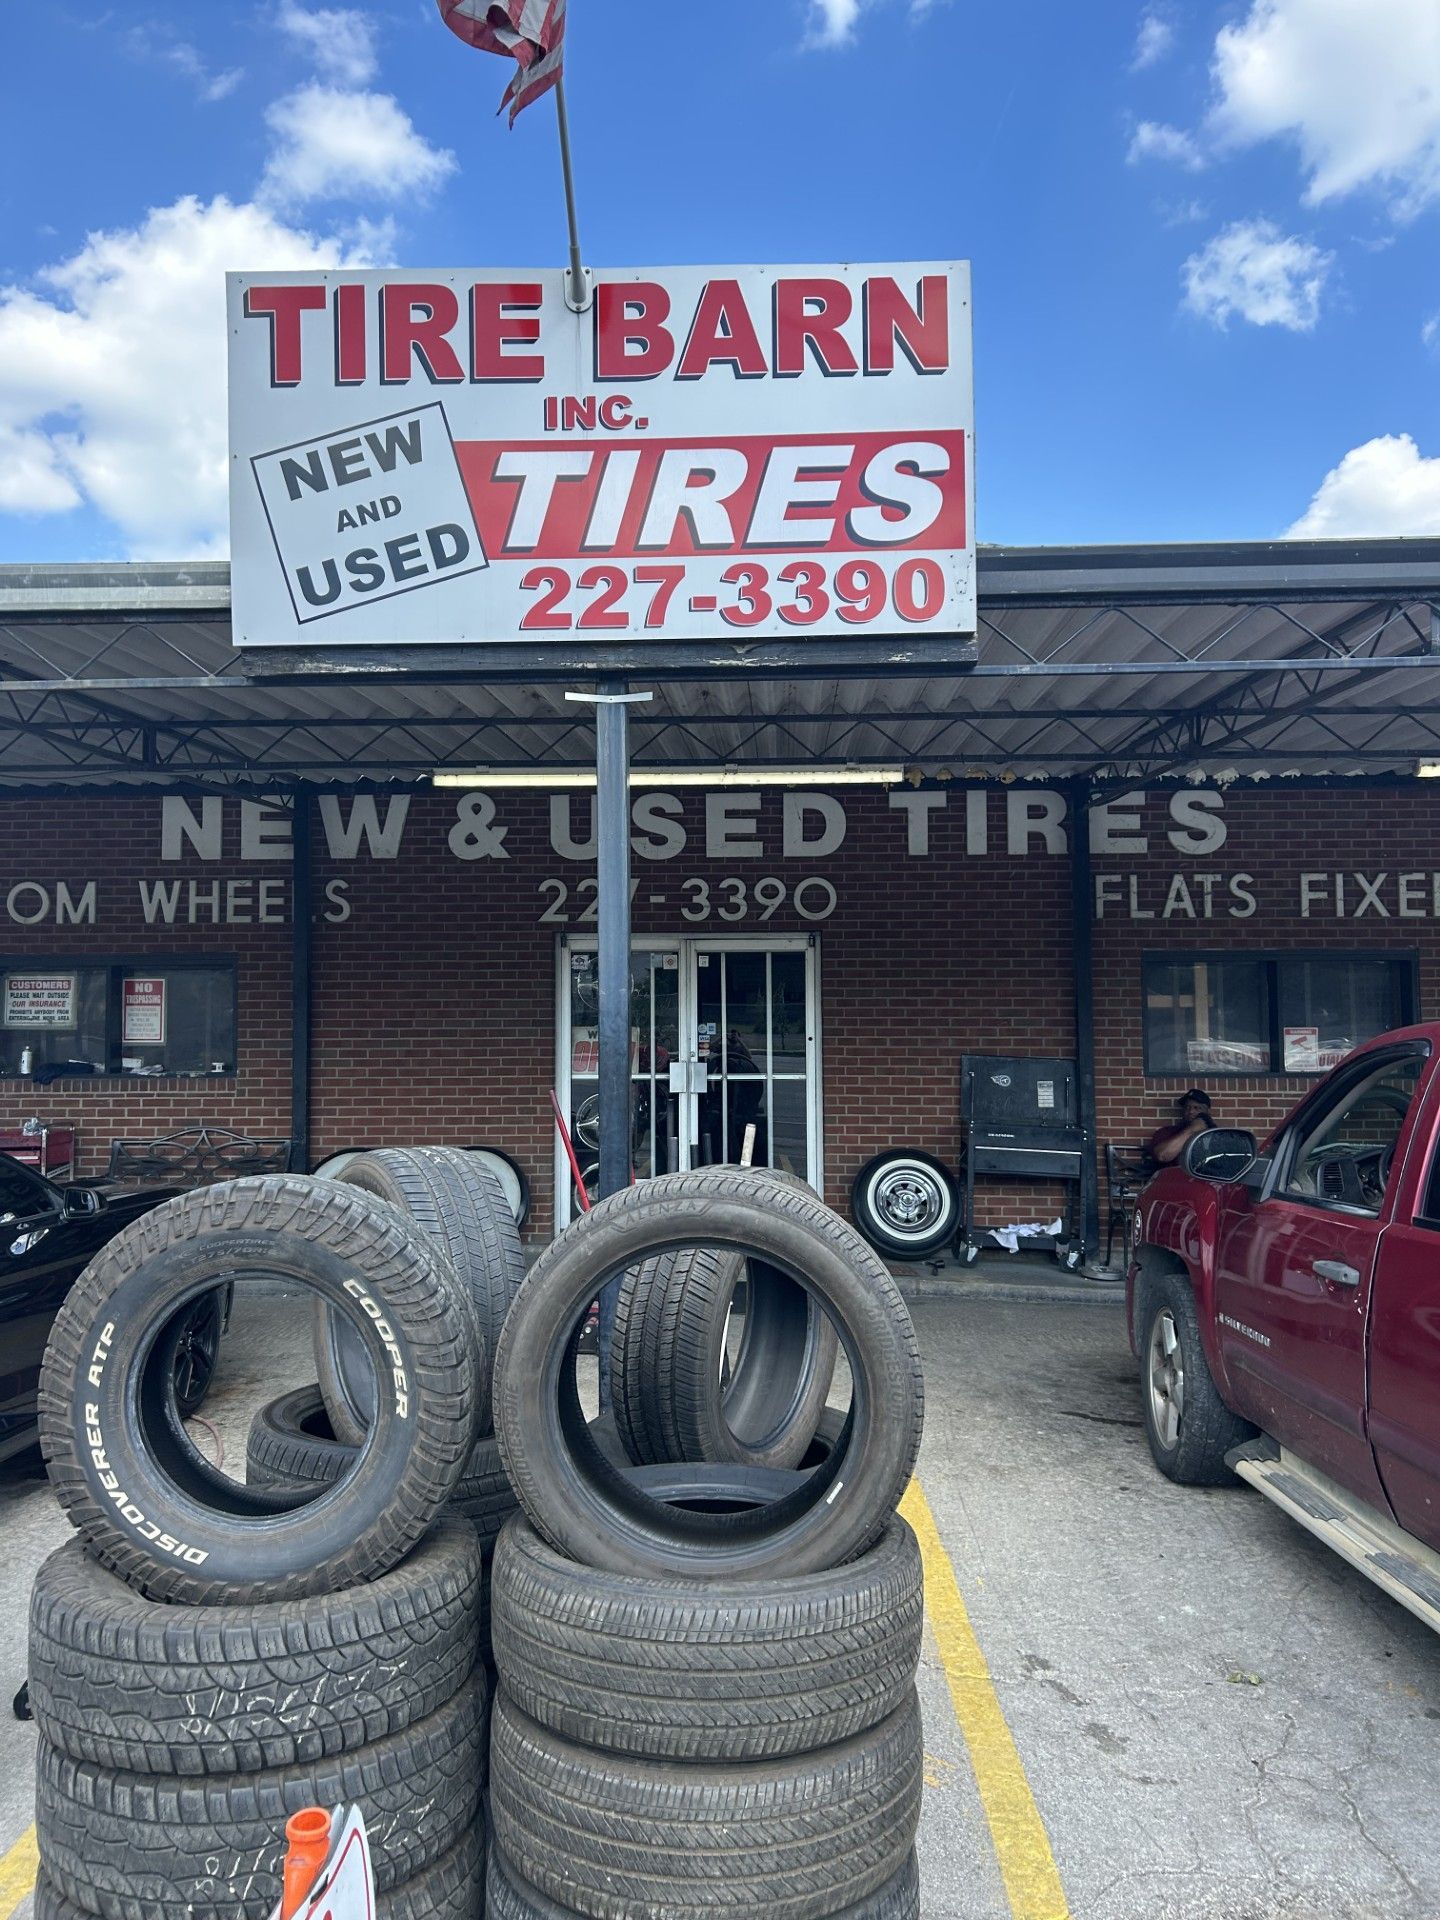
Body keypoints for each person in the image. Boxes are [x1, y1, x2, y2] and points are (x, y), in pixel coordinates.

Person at [1149, 1088, 1216, 1166]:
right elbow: (1162, 1156)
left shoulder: (1218, 1136)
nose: (1191, 1111)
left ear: (1207, 1111)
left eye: (1197, 1108)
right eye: (1187, 1107)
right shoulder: (1166, 1133)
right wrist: (1192, 1130)